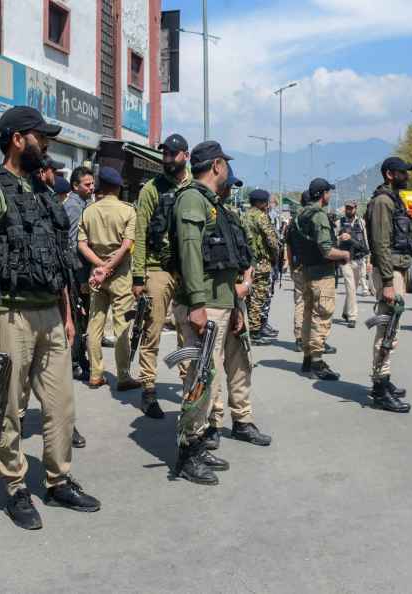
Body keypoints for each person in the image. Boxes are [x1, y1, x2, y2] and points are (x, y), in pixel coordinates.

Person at [0, 105, 100, 530]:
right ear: (18, 139)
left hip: (51, 315)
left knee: (61, 404)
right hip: (12, 314)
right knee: (7, 408)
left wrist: (66, 313)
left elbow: (55, 255)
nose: (48, 145)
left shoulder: (42, 191)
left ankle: (58, 481)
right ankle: (16, 488)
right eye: (42, 137)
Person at [171, 140, 270, 485]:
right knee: (201, 378)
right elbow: (190, 253)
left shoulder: (212, 204)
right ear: (216, 166)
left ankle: (198, 445)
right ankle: (187, 451)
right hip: (205, 305)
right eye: (225, 164)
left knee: (214, 372)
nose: (227, 169)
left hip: (223, 302)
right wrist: (198, 304)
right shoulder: (192, 199)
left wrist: (236, 305)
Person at [132, 133, 192, 417]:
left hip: (187, 270)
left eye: (173, 154)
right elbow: (141, 234)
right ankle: (148, 390)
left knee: (187, 332)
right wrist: (138, 278)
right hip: (157, 268)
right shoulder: (151, 190)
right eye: (165, 154)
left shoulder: (195, 187)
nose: (167, 159)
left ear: (185, 156)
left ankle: (188, 385)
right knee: (152, 330)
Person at [77, 167, 140, 390]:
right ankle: (123, 376)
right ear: (119, 186)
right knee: (122, 325)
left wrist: (100, 266)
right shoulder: (128, 211)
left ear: (101, 185)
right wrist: (110, 266)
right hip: (120, 274)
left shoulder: (89, 211)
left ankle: (95, 374)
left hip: (96, 274)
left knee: (95, 324)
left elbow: (82, 244)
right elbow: (127, 244)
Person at [365, 157, 412, 413]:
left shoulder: (393, 199)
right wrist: (387, 282)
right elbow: (382, 243)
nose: (407, 175)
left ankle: (382, 380)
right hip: (389, 272)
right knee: (387, 330)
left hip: (396, 269)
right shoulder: (383, 202)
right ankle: (380, 389)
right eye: (403, 172)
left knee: (391, 330)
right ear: (389, 174)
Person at [295, 178, 350, 381]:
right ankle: (317, 362)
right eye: (329, 192)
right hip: (321, 275)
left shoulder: (301, 214)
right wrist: (344, 255)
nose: (330, 196)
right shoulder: (318, 216)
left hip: (307, 271)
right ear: (323, 194)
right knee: (322, 316)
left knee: (309, 316)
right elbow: (326, 250)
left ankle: (308, 359)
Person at [63, 166, 94, 381]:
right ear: (75, 186)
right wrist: (81, 277)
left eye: (92, 184)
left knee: (83, 319)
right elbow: (72, 244)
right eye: (87, 184)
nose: (91, 188)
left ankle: (80, 358)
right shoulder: (73, 206)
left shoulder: (85, 203)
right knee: (76, 316)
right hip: (75, 271)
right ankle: (74, 362)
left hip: (82, 270)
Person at [245, 189, 280, 344]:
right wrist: (275, 256)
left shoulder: (244, 215)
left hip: (247, 262)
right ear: (260, 203)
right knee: (258, 297)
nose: (267, 206)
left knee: (248, 297)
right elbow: (272, 241)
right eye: (266, 202)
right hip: (261, 263)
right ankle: (254, 332)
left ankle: (249, 328)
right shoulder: (261, 217)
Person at [338, 200, 370, 328]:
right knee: (350, 288)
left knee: (353, 289)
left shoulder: (361, 223)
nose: (349, 210)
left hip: (359, 260)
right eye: (347, 208)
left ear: (356, 209)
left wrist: (369, 260)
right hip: (345, 261)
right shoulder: (339, 222)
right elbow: (334, 239)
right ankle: (352, 316)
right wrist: (340, 237)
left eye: (351, 208)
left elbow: (366, 242)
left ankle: (346, 311)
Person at [283, 202, 306, 352]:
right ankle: (310, 338)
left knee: (300, 302)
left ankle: (299, 337)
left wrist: (291, 266)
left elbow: (288, 248)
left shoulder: (291, 225)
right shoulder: (312, 221)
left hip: (297, 267)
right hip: (311, 269)